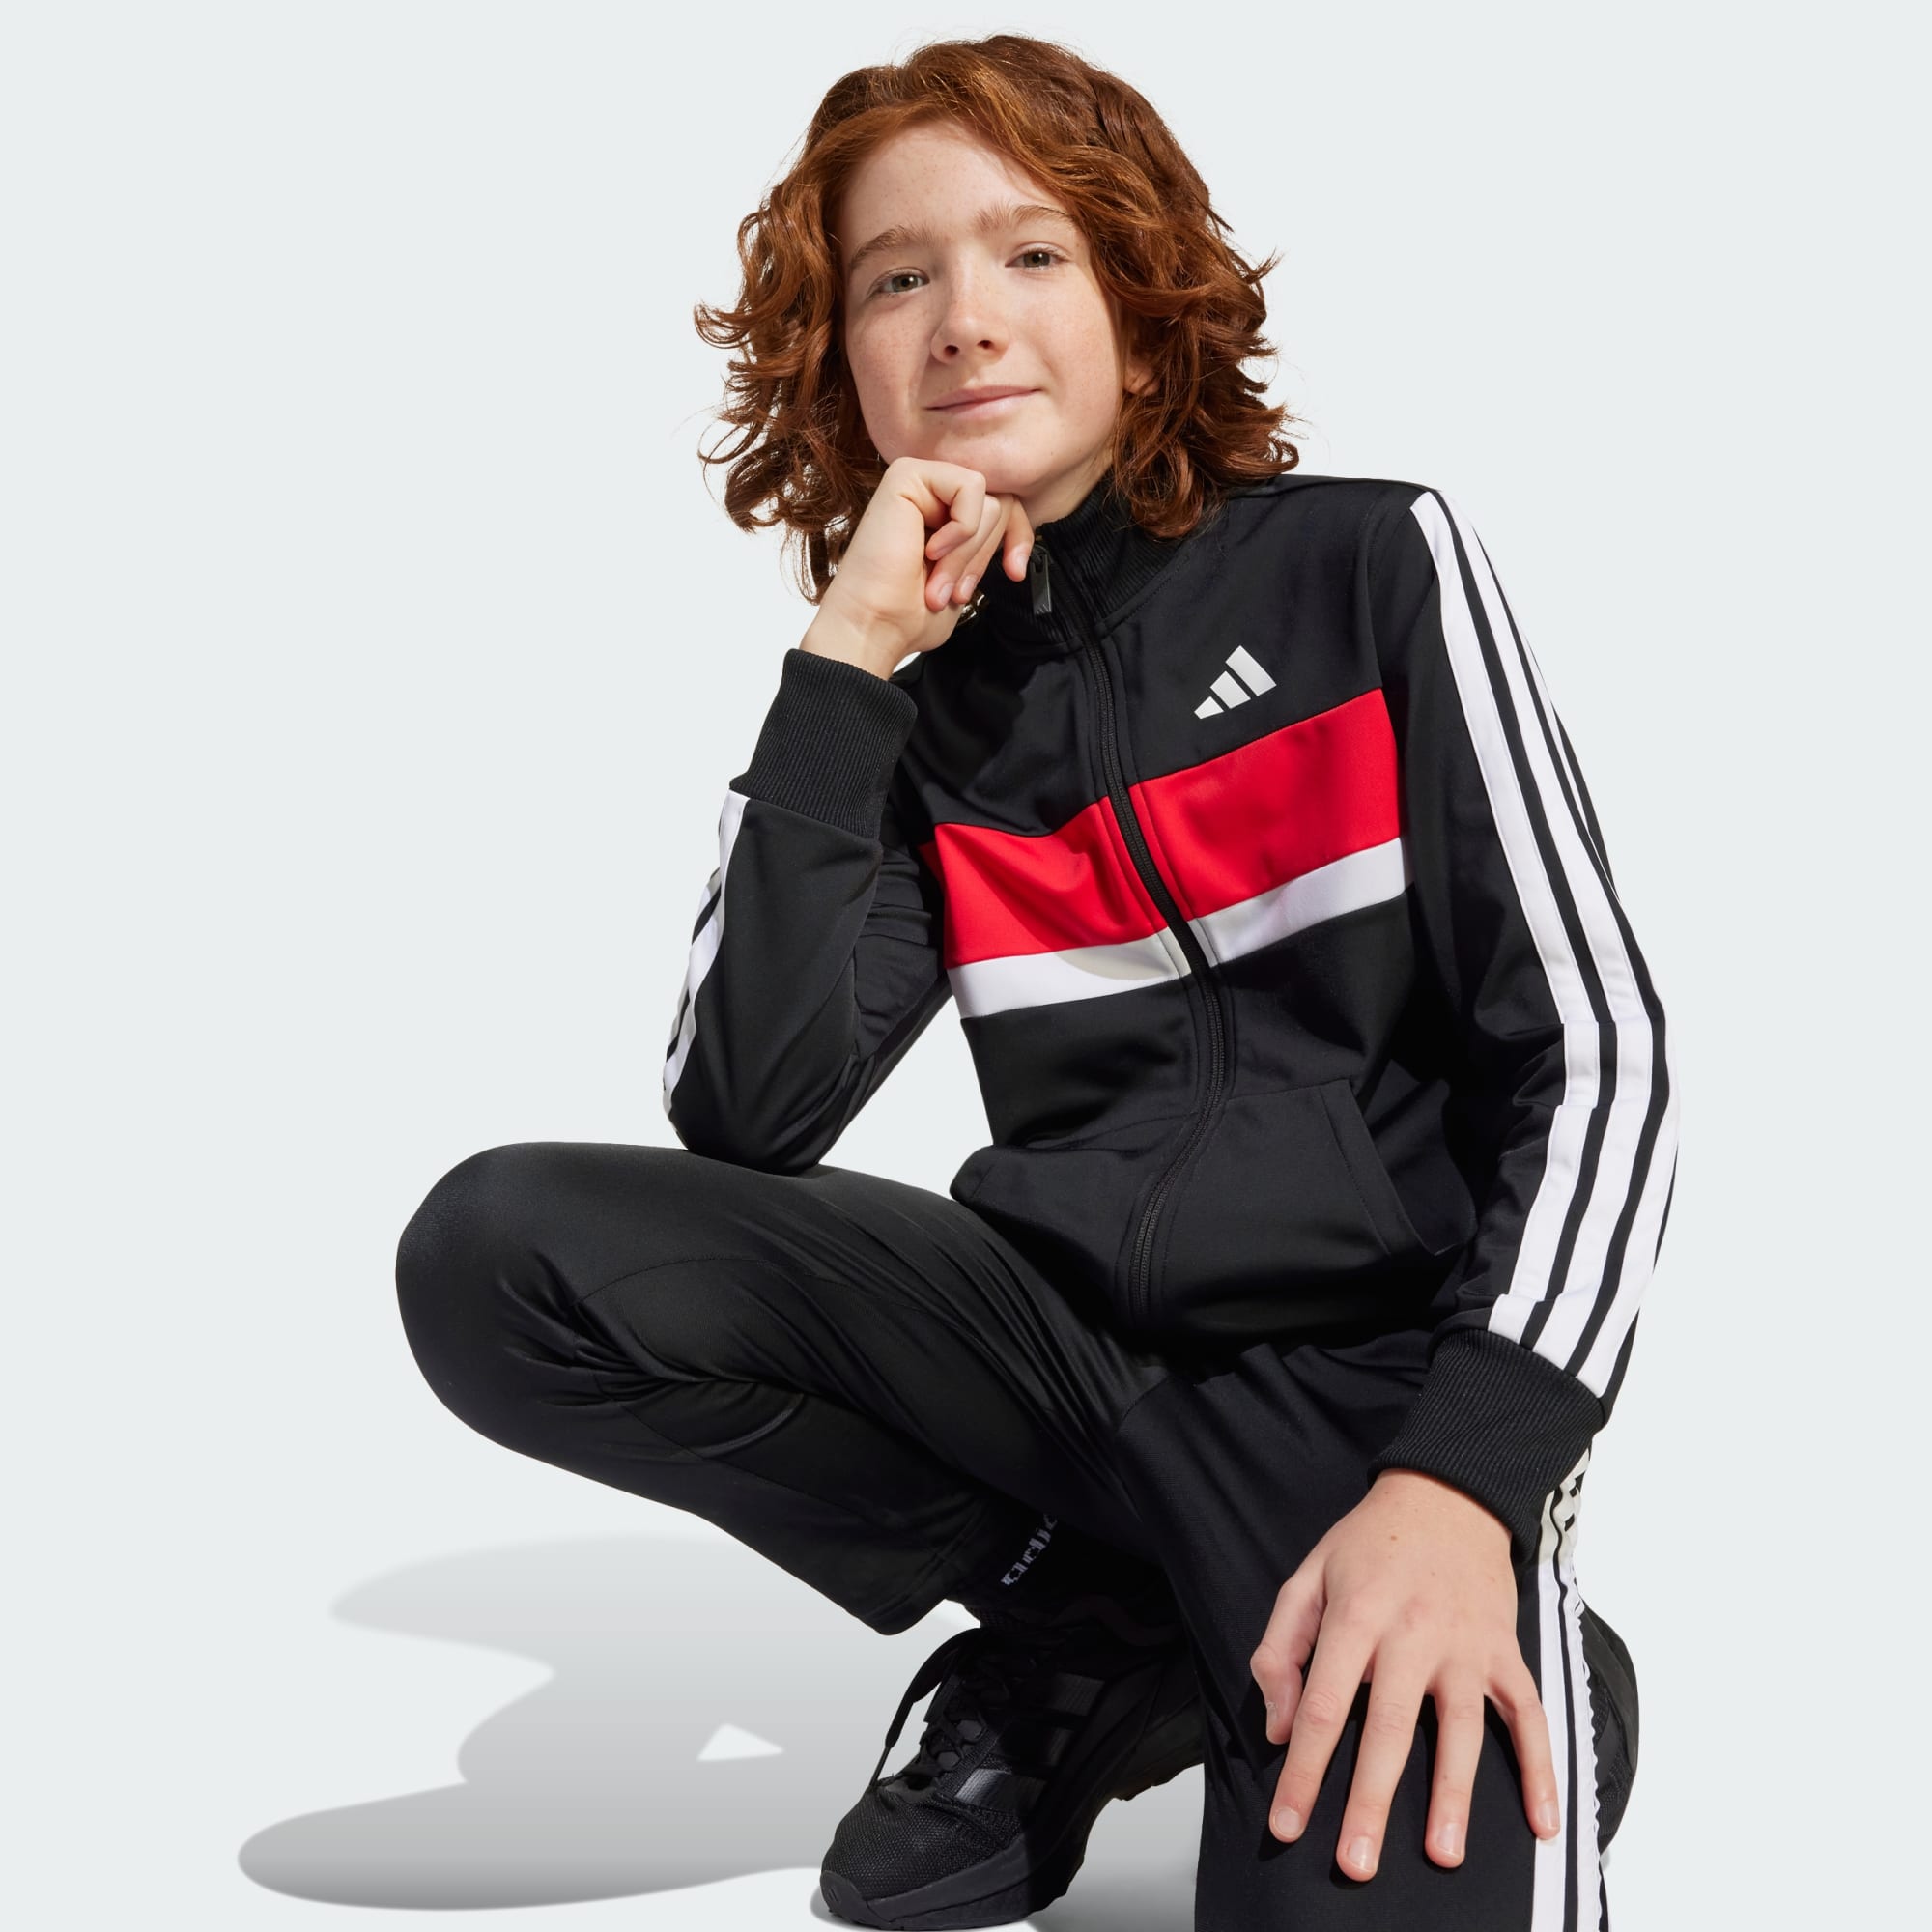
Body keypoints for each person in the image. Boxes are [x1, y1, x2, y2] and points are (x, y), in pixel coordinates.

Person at [394, 31, 1674, 1932]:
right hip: (1062, 1366)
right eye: (894, 279)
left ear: (1144, 324)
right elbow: (745, 1112)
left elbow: (1601, 1058)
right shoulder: (920, 712)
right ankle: (1094, 1611)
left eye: (1030, 253)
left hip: (1372, 1414)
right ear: (844, 365)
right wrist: (845, 670)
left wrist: (1461, 1483)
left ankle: (1426, 1624)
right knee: (506, 1254)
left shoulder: (1369, 567)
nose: (963, 317)